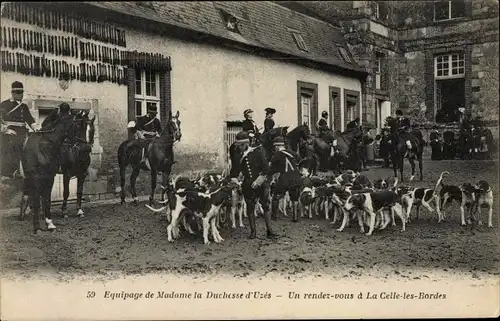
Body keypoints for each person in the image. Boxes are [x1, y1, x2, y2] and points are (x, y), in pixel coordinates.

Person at [229, 131, 277, 240]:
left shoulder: (258, 152)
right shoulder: (237, 156)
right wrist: (236, 181)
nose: (239, 147)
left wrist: (258, 182)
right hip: (247, 185)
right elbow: (234, 173)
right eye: (238, 145)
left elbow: (266, 169)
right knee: (250, 207)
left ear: (246, 144)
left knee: (265, 205)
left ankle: (270, 230)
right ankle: (253, 232)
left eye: (241, 145)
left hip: (261, 183)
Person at [0, 81, 37, 178]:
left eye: (22, 93)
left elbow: (29, 119)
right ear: (12, 93)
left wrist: (35, 127)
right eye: (18, 93)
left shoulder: (24, 106)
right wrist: (6, 130)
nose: (21, 95)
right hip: (9, 134)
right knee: (10, 152)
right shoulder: (4, 104)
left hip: (23, 133)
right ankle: (11, 172)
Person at [267, 136, 302, 222]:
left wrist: (267, 176)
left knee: (276, 196)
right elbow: (299, 162)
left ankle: (274, 216)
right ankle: (295, 217)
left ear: (277, 146)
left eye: (275, 147)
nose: (274, 148)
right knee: (295, 198)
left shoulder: (276, 156)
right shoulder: (293, 153)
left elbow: (271, 170)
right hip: (296, 177)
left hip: (285, 178)